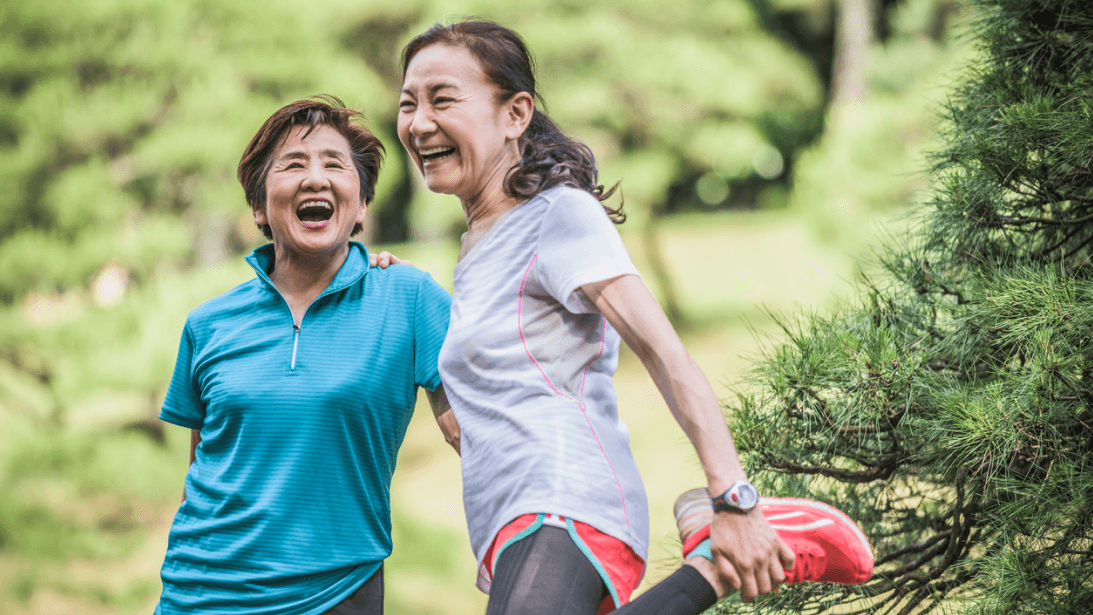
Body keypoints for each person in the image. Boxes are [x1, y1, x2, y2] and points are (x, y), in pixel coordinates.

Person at [396, 20, 874, 615]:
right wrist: (378, 286)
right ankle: (711, 569)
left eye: (442, 99)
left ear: (515, 114)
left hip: (564, 500)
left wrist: (734, 496)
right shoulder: (475, 248)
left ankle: (729, 550)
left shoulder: (557, 216)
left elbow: (665, 354)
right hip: (507, 520)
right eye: (408, 104)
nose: (418, 123)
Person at [154, 96, 458, 615]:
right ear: (257, 205)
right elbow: (202, 474)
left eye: (334, 165)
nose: (315, 178)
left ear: (361, 205)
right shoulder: (208, 324)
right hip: (198, 595)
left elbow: (478, 434)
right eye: (294, 164)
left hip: (335, 596)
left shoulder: (408, 299)